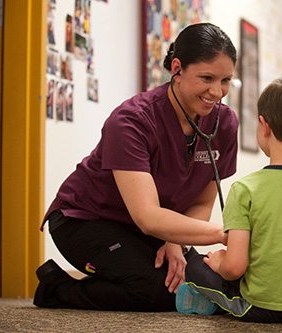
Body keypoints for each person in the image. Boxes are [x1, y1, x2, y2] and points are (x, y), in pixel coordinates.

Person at [33, 23, 238, 312]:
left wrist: (175, 241)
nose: (217, 92)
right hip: (85, 221)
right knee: (159, 291)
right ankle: (57, 288)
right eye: (207, 78)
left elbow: (203, 200)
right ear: (177, 69)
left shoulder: (225, 124)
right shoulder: (130, 121)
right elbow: (148, 217)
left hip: (148, 230)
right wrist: (223, 234)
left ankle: (126, 269)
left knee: (199, 281)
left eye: (226, 80)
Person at [176, 76, 282, 323]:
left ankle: (216, 300)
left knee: (195, 266)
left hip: (262, 308)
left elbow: (235, 267)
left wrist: (219, 263)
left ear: (264, 126)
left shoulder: (245, 189)